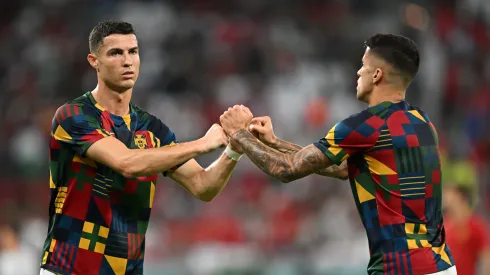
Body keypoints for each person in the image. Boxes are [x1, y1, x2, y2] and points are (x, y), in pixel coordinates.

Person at [220, 34, 457, 275]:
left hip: (402, 268)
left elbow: (286, 169)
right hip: (442, 265)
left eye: (363, 66)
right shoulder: (423, 123)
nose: (358, 73)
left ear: (376, 75)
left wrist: (239, 134)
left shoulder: (365, 125)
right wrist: (275, 142)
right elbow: (346, 169)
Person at [40, 20, 244, 275]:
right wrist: (204, 143)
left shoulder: (152, 128)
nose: (127, 61)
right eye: (115, 53)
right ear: (94, 61)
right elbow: (127, 163)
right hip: (69, 269)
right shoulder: (73, 115)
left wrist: (233, 149)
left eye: (133, 52)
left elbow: (203, 186)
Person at [443, 183, 490, 275]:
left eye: (449, 193)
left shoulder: (476, 226)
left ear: (460, 197)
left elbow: (486, 257)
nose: (445, 198)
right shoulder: (443, 225)